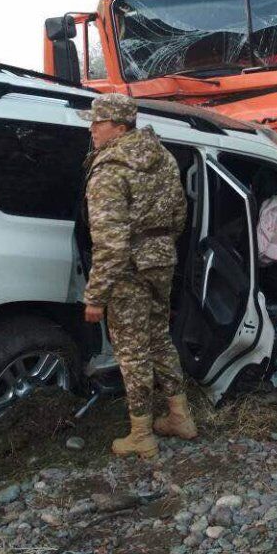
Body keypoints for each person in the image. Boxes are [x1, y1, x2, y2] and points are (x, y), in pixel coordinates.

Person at [81, 93, 197, 458]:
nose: (92, 129)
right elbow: (179, 216)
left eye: (97, 123)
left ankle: (141, 434)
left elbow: (111, 243)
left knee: (132, 350)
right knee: (159, 338)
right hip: (160, 260)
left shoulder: (110, 169)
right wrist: (157, 249)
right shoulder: (162, 157)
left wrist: (96, 296)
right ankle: (180, 416)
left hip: (127, 268)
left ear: (118, 126)